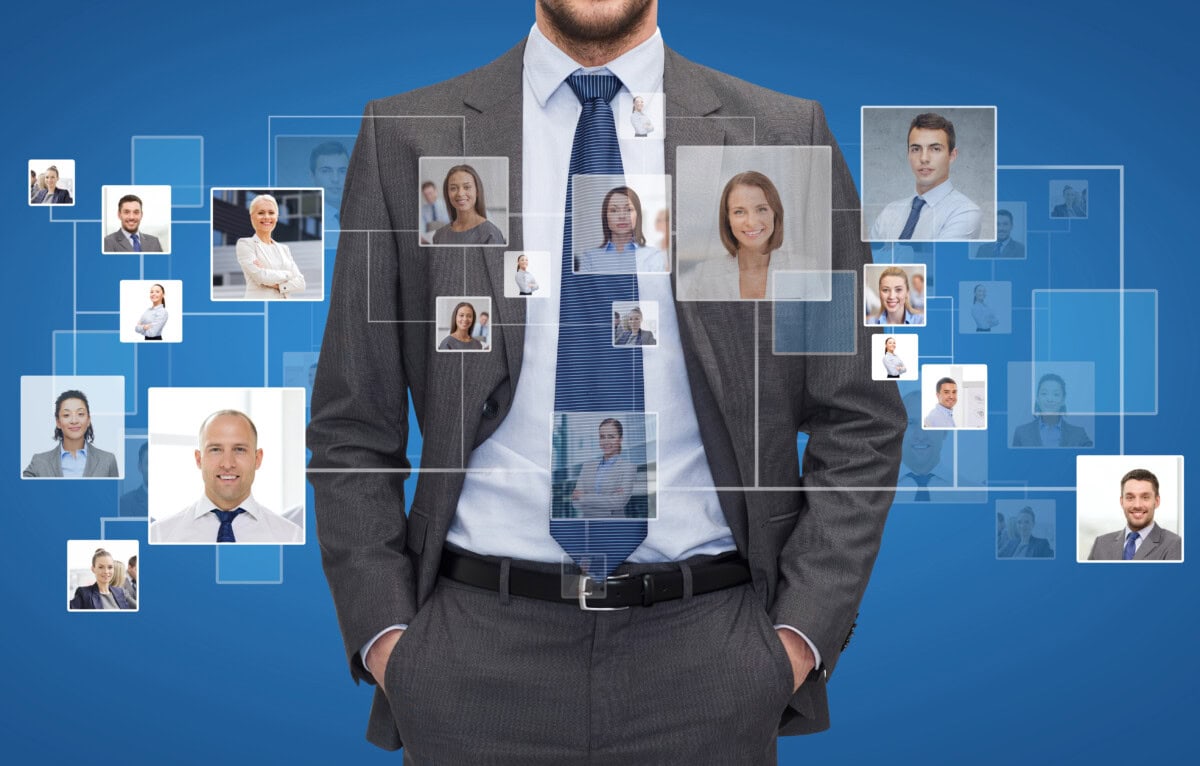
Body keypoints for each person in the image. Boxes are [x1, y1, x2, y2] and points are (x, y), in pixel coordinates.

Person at [308, 3, 904, 761]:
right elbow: (350, 419)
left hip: (710, 661)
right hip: (470, 661)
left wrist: (796, 637)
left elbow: (859, 414)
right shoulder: (409, 135)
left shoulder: (777, 134)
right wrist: (390, 641)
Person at [150, 409, 303, 543]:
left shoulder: (292, 536)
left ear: (258, 459)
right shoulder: (159, 535)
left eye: (239, 449)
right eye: (216, 449)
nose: (228, 464)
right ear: (199, 459)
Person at [868, 113, 981, 241]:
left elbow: (939, 261)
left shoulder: (966, 212)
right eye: (916, 149)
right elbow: (868, 259)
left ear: (952, 155)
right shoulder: (889, 212)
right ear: (908, 154)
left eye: (935, 149)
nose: (924, 158)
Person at [690, 171, 791, 299]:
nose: (751, 222)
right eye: (739, 212)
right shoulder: (704, 276)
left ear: (775, 213)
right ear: (728, 219)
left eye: (761, 209)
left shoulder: (803, 269)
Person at [1088, 469, 1182, 561]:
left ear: (1156, 501)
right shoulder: (1100, 544)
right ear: (1122, 502)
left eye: (1145, 497)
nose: (1137, 505)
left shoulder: (1174, 544)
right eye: (1130, 498)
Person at [23, 390, 119, 478]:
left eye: (80, 414)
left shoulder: (107, 461)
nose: (74, 421)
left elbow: (114, 495)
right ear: (58, 422)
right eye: (66, 415)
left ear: (88, 420)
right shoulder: (39, 462)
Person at [578, 184, 667, 273]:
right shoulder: (589, 258)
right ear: (605, 217)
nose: (622, 216)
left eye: (628, 210)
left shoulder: (653, 256)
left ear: (637, 215)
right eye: (614, 210)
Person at [235, 194, 307, 299]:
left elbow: (301, 284)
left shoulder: (284, 249)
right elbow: (261, 277)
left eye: (271, 213)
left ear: (276, 217)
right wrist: (289, 274)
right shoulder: (245, 244)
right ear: (252, 217)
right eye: (261, 213)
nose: (267, 217)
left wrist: (277, 285)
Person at [567, 418, 638, 518]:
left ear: (620, 439)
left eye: (611, 437)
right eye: (602, 437)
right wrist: (608, 499)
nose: (606, 441)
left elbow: (618, 503)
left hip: (614, 526)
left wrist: (584, 497)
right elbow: (575, 502)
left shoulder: (628, 468)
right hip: (587, 524)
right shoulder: (587, 467)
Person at [1012, 373, 1094, 448]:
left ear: (1063, 400)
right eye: (1044, 393)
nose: (1050, 399)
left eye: (1056, 394)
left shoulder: (1078, 435)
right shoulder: (1021, 433)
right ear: (1037, 398)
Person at [430, 164, 506, 245]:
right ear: (447, 193)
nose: (460, 193)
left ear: (477, 191)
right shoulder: (439, 236)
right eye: (453, 188)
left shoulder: (490, 234)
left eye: (467, 187)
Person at [897, 391, 949, 501]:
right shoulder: (868, 495)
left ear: (945, 430)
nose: (920, 435)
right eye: (911, 423)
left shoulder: (975, 495)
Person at [69, 549, 134, 610]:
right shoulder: (84, 594)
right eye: (101, 567)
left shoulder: (120, 592)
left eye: (110, 567)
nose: (106, 571)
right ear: (93, 569)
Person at [310, 141, 350, 231]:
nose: (335, 179)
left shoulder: (365, 214)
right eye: (326, 171)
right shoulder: (309, 220)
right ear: (312, 176)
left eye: (342, 171)